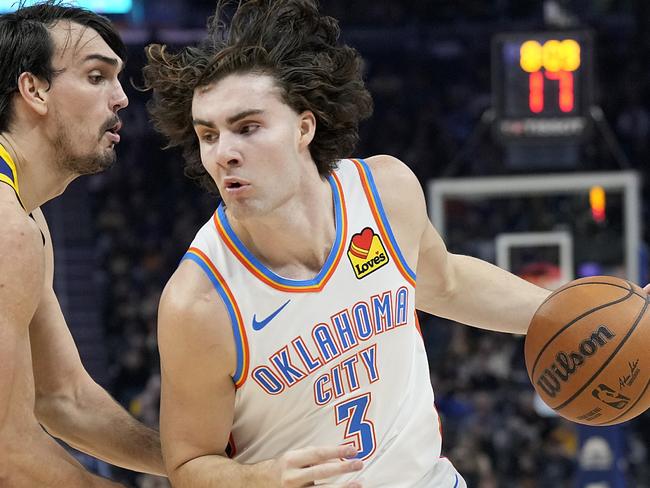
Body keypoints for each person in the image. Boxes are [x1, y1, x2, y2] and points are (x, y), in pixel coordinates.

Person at [143, 0, 550, 486]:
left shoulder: (385, 192)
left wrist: (575, 313)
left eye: (247, 127)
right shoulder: (198, 301)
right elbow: (188, 464)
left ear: (304, 127)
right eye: (208, 135)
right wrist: (265, 479)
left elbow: (449, 284)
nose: (224, 153)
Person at [0, 2, 165, 486]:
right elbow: (7, 454)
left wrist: (200, 464)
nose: (122, 99)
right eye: (97, 77)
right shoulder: (7, 227)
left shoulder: (27, 217)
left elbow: (64, 398)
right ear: (34, 90)